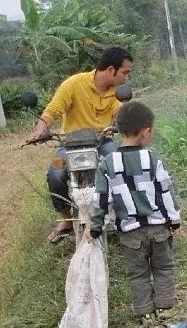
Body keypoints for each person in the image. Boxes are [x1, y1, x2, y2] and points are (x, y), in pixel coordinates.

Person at [28, 47, 133, 243]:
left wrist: (126, 123)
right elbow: (52, 111)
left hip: (102, 141)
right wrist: (40, 130)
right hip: (70, 144)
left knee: (119, 165)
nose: (126, 78)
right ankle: (66, 220)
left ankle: (122, 214)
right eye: (125, 72)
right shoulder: (74, 83)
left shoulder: (116, 93)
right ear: (111, 70)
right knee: (55, 173)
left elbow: (120, 115)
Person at [89, 101, 180, 325]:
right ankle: (165, 308)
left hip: (130, 233)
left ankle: (145, 312)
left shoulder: (107, 164)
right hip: (158, 228)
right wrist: (174, 219)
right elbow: (165, 190)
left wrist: (95, 226)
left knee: (138, 274)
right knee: (164, 268)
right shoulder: (152, 158)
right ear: (146, 131)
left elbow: (101, 199)